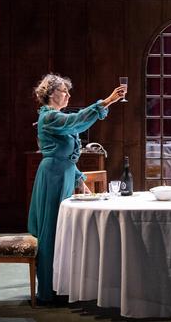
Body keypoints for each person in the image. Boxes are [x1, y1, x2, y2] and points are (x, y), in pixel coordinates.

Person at [27, 73, 125, 304]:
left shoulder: (55, 116)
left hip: (63, 174)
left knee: (62, 231)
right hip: (53, 177)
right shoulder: (49, 117)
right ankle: (48, 292)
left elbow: (67, 155)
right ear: (50, 94)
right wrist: (107, 101)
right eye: (64, 91)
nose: (68, 95)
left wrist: (79, 178)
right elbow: (76, 122)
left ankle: (61, 285)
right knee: (52, 231)